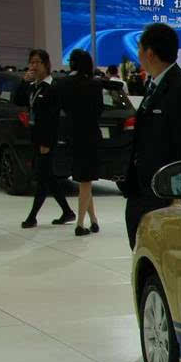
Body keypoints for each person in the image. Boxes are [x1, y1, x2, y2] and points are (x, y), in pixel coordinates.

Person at [124, 23, 181, 249]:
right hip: (141, 188)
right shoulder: (154, 85)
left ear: (150, 53)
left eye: (140, 48)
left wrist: (179, 195)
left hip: (163, 193)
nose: (138, 54)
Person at [14, 49, 76, 228]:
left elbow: (52, 119)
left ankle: (32, 217)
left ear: (46, 64)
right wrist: (23, 82)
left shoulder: (53, 88)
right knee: (48, 177)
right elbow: (18, 100)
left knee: (42, 179)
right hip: (35, 136)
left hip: (46, 140)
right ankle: (67, 212)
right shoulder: (34, 87)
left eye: (37, 62)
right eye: (31, 62)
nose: (33, 66)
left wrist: (46, 142)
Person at [59, 49, 105, 236]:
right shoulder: (95, 85)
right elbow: (99, 109)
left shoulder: (65, 83)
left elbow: (64, 107)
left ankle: (93, 220)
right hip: (90, 135)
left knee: (84, 181)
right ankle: (80, 224)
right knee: (86, 180)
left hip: (73, 136)